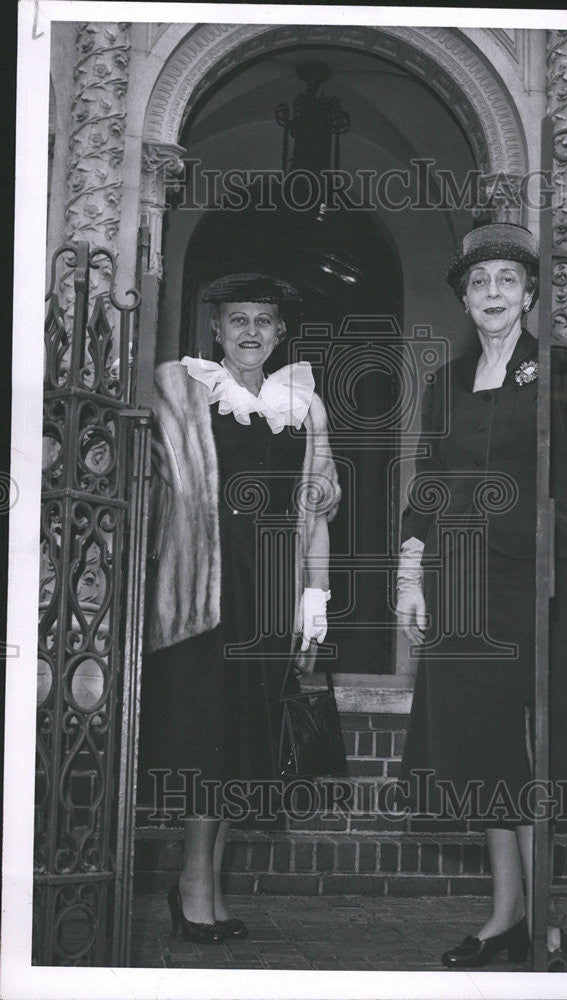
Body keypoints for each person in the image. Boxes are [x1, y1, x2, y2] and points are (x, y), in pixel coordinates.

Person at [395, 223, 567, 969]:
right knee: (481, 744)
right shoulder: (444, 382)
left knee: (531, 742)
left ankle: (543, 922)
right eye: (478, 283)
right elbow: (427, 481)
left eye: (506, 281)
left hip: (531, 572)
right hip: (456, 577)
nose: (491, 294)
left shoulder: (561, 368)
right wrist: (409, 577)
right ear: (464, 298)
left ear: (530, 295)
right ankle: (504, 916)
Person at [139, 273, 340, 943]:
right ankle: (194, 886)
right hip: (208, 591)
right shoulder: (182, 391)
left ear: (280, 333)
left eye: (263, 320)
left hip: (273, 595)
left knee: (245, 749)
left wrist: (315, 599)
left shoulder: (303, 405)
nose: (250, 330)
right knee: (207, 744)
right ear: (217, 332)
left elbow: (318, 507)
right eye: (236, 320)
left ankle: (206, 886)